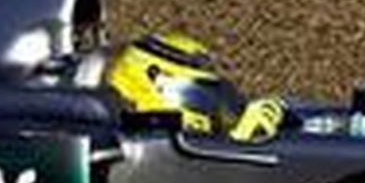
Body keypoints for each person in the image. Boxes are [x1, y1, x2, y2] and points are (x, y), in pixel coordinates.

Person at [105, 32, 285, 144]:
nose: (211, 107)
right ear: (156, 80)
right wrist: (237, 143)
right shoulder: (141, 146)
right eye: (198, 96)